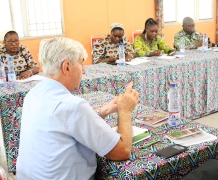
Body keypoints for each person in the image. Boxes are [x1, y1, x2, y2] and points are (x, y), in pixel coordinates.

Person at [16, 37, 140, 180]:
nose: (84, 70)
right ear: (67, 67)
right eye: (81, 63)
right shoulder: (73, 106)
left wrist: (102, 112)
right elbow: (122, 151)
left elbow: (64, 123)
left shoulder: (33, 94)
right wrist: (125, 111)